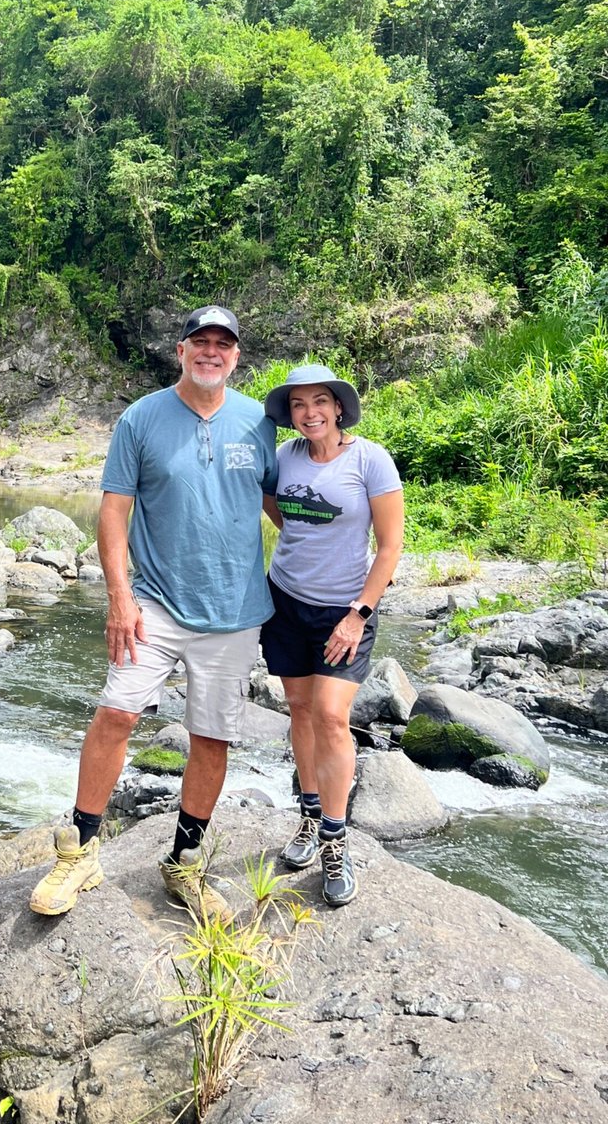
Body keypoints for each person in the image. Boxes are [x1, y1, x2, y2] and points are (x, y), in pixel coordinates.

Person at [29, 305, 277, 916]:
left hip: (237, 610)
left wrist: (344, 551)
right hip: (155, 605)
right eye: (201, 342)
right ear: (181, 350)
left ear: (236, 356)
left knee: (212, 738)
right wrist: (120, 598)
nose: (211, 352)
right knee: (116, 713)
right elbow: (113, 513)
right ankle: (80, 853)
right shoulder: (141, 419)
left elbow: (280, 505)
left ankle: (184, 864)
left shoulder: (259, 424)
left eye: (223, 344)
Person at [259, 364, 404, 907]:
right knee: (299, 712)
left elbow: (389, 546)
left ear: (339, 407)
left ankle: (334, 839)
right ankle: (309, 815)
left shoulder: (371, 459)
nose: (310, 412)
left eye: (320, 401)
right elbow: (279, 509)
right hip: (285, 603)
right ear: (290, 414)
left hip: (345, 610)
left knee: (332, 716)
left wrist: (358, 613)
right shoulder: (285, 458)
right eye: (299, 405)